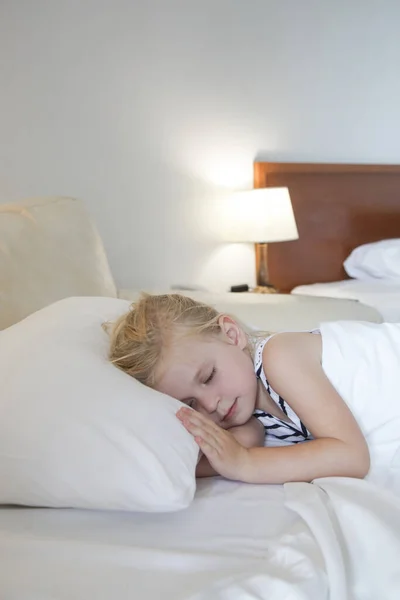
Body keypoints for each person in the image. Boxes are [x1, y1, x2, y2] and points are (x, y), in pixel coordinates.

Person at [107, 292, 400, 486]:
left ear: (232, 335)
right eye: (191, 404)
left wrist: (245, 463)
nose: (210, 405)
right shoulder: (252, 419)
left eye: (208, 376)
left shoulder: (280, 356)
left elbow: (352, 457)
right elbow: (212, 458)